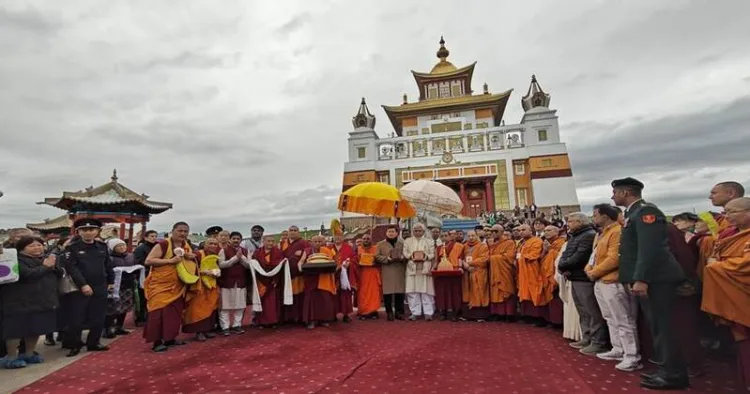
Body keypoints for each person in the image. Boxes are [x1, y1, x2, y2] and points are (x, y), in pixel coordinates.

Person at [612, 177, 688, 390]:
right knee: (657, 327)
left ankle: (673, 374)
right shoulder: (634, 214)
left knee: (663, 327)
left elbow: (649, 249)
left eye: (615, 192)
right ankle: (667, 369)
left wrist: (641, 278)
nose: (613, 196)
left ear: (626, 192)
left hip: (656, 279)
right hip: (650, 279)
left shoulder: (646, 212)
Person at [701, 197, 750, 389]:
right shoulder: (733, 234)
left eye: (731, 212)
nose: (726, 217)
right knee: (741, 342)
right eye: (726, 212)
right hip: (734, 295)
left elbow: (745, 265)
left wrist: (717, 266)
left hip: (742, 293)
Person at [586, 204, 642, 372]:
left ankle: (632, 356)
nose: (593, 217)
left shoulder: (617, 231)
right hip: (600, 281)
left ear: (605, 216)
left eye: (595, 214)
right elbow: (594, 256)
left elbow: (614, 259)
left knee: (624, 319)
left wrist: (594, 272)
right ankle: (618, 348)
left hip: (613, 281)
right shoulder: (602, 233)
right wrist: (589, 270)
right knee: (609, 317)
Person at [0, 236, 62, 369]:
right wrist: (46, 267)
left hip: (42, 300)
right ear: (22, 248)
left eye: (39, 245)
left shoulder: (45, 258)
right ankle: (11, 357)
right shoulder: (15, 259)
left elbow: (59, 274)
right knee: (15, 331)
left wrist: (55, 267)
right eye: (32, 246)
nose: (37, 248)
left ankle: (29, 353)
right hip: (19, 302)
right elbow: (27, 275)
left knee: (35, 329)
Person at [60, 219, 114, 357]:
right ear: (78, 232)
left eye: (91, 230)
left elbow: (108, 265)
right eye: (84, 230)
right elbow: (72, 268)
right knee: (77, 317)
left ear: (97, 231)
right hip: (79, 287)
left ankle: (93, 342)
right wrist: (83, 285)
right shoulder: (72, 248)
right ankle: (74, 344)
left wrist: (111, 281)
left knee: (99, 316)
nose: (88, 232)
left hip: (100, 285)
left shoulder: (102, 246)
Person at [143, 222, 193, 352]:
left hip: (177, 285)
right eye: (180, 231)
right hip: (160, 285)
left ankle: (170, 338)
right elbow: (149, 260)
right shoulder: (164, 244)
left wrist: (188, 257)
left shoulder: (185, 245)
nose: (183, 234)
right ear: (173, 231)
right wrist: (170, 261)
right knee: (158, 313)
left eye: (185, 231)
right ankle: (157, 341)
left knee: (174, 314)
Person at [558, 212, 604, 355]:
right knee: (582, 311)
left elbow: (580, 256)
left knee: (592, 311)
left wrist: (564, 266)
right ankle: (587, 337)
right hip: (574, 276)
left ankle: (598, 342)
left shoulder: (589, 235)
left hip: (584, 277)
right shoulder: (575, 236)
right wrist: (562, 266)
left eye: (571, 221)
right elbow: (566, 255)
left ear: (580, 222)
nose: (568, 224)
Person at [183, 238, 221, 341]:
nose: (213, 246)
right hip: (199, 286)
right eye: (210, 243)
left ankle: (207, 329)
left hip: (212, 284)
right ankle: (199, 332)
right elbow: (189, 268)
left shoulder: (216, 256)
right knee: (198, 308)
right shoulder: (197, 254)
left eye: (215, 244)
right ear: (205, 245)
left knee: (211, 307)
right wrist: (203, 272)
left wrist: (215, 272)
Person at [300, 235, 337, 329]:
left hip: (324, 276)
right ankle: (311, 320)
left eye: (320, 241)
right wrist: (301, 268)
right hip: (311, 277)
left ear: (323, 242)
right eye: (315, 242)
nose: (317, 243)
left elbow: (332, 261)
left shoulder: (327, 250)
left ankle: (323, 320)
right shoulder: (307, 250)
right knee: (311, 299)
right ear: (311, 242)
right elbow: (301, 261)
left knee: (324, 298)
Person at [103, 238, 136, 338]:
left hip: (127, 284)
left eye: (123, 245)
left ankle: (119, 327)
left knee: (125, 307)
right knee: (112, 308)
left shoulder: (130, 256)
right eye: (119, 246)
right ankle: (108, 329)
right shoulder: (109, 258)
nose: (122, 248)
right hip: (115, 285)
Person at [218, 232, 249, 335]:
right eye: (234, 238)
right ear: (230, 240)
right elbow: (221, 265)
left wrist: (242, 258)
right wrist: (235, 258)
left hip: (241, 281)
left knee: (240, 305)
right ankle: (225, 327)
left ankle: (237, 325)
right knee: (225, 306)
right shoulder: (224, 250)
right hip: (227, 281)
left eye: (238, 239)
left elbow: (249, 266)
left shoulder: (245, 251)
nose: (236, 240)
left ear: (241, 240)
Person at [251, 236, 286, 328]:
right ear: (263, 241)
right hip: (261, 280)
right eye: (268, 241)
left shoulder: (278, 252)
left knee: (273, 302)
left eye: (272, 241)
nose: (270, 243)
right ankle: (261, 321)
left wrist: (276, 279)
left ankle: (273, 321)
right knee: (262, 301)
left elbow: (280, 266)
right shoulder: (257, 252)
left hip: (273, 280)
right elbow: (254, 264)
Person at [403, 223, 435, 321]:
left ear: (423, 231)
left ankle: (428, 313)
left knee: (426, 291)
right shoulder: (407, 241)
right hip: (412, 267)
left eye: (419, 231)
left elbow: (432, 253)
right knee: (412, 291)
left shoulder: (429, 241)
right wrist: (412, 256)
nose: (417, 232)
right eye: (415, 231)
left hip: (425, 267)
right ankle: (415, 312)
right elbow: (405, 252)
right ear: (413, 231)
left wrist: (424, 256)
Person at [376, 226, 406, 321]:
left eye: (393, 231)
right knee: (387, 293)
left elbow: (407, 254)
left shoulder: (402, 244)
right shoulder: (380, 244)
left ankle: (398, 313)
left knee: (399, 293)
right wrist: (386, 259)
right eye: (389, 231)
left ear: (397, 233)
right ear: (386, 233)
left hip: (399, 270)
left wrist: (402, 258)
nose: (391, 233)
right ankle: (389, 312)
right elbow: (376, 256)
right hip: (387, 270)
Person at [516, 224, 546, 321]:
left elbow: (534, 255)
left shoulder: (537, 241)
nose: (521, 232)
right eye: (519, 230)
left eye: (523, 229)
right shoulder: (521, 243)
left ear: (531, 231)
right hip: (522, 272)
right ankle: (528, 316)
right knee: (525, 293)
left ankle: (538, 317)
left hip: (533, 271)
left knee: (535, 292)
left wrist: (520, 258)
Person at [434, 230, 465, 321]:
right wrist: (433, 269)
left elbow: (460, 258)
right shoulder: (438, 248)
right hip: (442, 272)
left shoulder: (459, 246)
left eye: (446, 235)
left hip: (454, 271)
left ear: (450, 236)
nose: (444, 238)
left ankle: (455, 312)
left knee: (454, 292)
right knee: (442, 292)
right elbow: (436, 261)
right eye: (442, 236)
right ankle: (443, 312)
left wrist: (460, 267)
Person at [488, 225, 517, 320]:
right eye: (491, 231)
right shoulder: (490, 243)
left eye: (496, 231)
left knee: (506, 290)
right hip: (494, 271)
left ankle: (508, 314)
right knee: (495, 291)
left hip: (505, 271)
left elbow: (510, 256)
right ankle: (497, 313)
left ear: (502, 232)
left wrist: (493, 258)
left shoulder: (509, 242)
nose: (493, 233)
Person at [461, 230, 490, 322]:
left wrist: (470, 263)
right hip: (467, 273)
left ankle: (480, 315)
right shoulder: (464, 246)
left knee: (479, 292)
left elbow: (484, 259)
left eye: (473, 235)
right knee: (467, 293)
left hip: (479, 272)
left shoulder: (482, 246)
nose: (471, 238)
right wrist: (465, 265)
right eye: (469, 236)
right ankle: (467, 315)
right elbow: (460, 258)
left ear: (477, 236)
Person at [539, 225, 565, 327]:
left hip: (556, 274)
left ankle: (559, 322)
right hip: (545, 274)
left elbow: (561, 257)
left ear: (556, 232)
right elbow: (541, 259)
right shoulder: (545, 243)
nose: (546, 232)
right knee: (548, 298)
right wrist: (545, 250)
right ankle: (550, 320)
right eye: (545, 231)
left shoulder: (561, 242)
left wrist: (550, 250)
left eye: (549, 230)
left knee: (556, 298)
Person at [283, 226, 309, 325]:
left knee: (300, 296)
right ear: (288, 232)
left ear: (299, 232)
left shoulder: (303, 243)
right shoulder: (283, 243)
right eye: (291, 230)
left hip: (299, 275)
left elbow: (309, 252)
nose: (293, 232)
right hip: (286, 275)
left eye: (295, 230)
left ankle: (301, 317)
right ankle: (289, 318)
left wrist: (303, 252)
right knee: (289, 295)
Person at [133, 230, 158, 327]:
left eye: (155, 236)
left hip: (155, 275)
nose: (154, 238)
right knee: (142, 297)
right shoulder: (141, 248)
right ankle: (140, 318)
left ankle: (150, 316)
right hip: (143, 275)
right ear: (146, 237)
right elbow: (138, 261)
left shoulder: (157, 247)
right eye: (152, 236)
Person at [357, 234, 381, 320]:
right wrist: (359, 262)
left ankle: (373, 310)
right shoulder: (358, 249)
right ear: (362, 240)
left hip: (373, 272)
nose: (366, 240)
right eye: (364, 239)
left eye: (368, 238)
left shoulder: (376, 248)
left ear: (371, 240)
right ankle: (364, 311)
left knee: (374, 292)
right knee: (363, 292)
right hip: (363, 273)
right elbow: (355, 260)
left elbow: (380, 260)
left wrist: (375, 262)